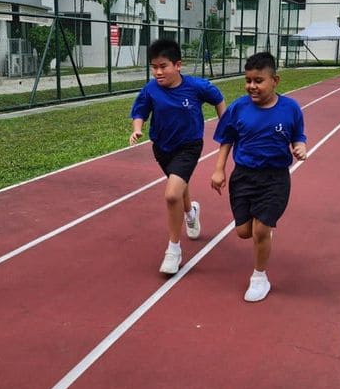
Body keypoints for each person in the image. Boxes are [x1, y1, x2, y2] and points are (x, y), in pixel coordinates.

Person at [210, 52, 307, 302]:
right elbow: (226, 139)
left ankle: (259, 276)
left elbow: (298, 135)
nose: (252, 86)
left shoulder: (291, 108)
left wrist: (300, 146)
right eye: (248, 80)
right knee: (244, 232)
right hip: (243, 176)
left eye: (258, 80)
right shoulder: (238, 108)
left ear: (275, 80)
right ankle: (263, 231)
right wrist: (219, 169)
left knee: (260, 230)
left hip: (275, 178)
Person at [130, 38, 226, 274]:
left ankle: (173, 250)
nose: (158, 72)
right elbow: (140, 110)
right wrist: (137, 128)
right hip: (162, 147)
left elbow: (218, 98)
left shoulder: (196, 87)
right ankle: (191, 212)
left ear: (178, 65)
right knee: (178, 186)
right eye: (154, 67)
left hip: (189, 146)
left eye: (163, 66)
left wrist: (226, 124)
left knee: (172, 193)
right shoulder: (151, 89)